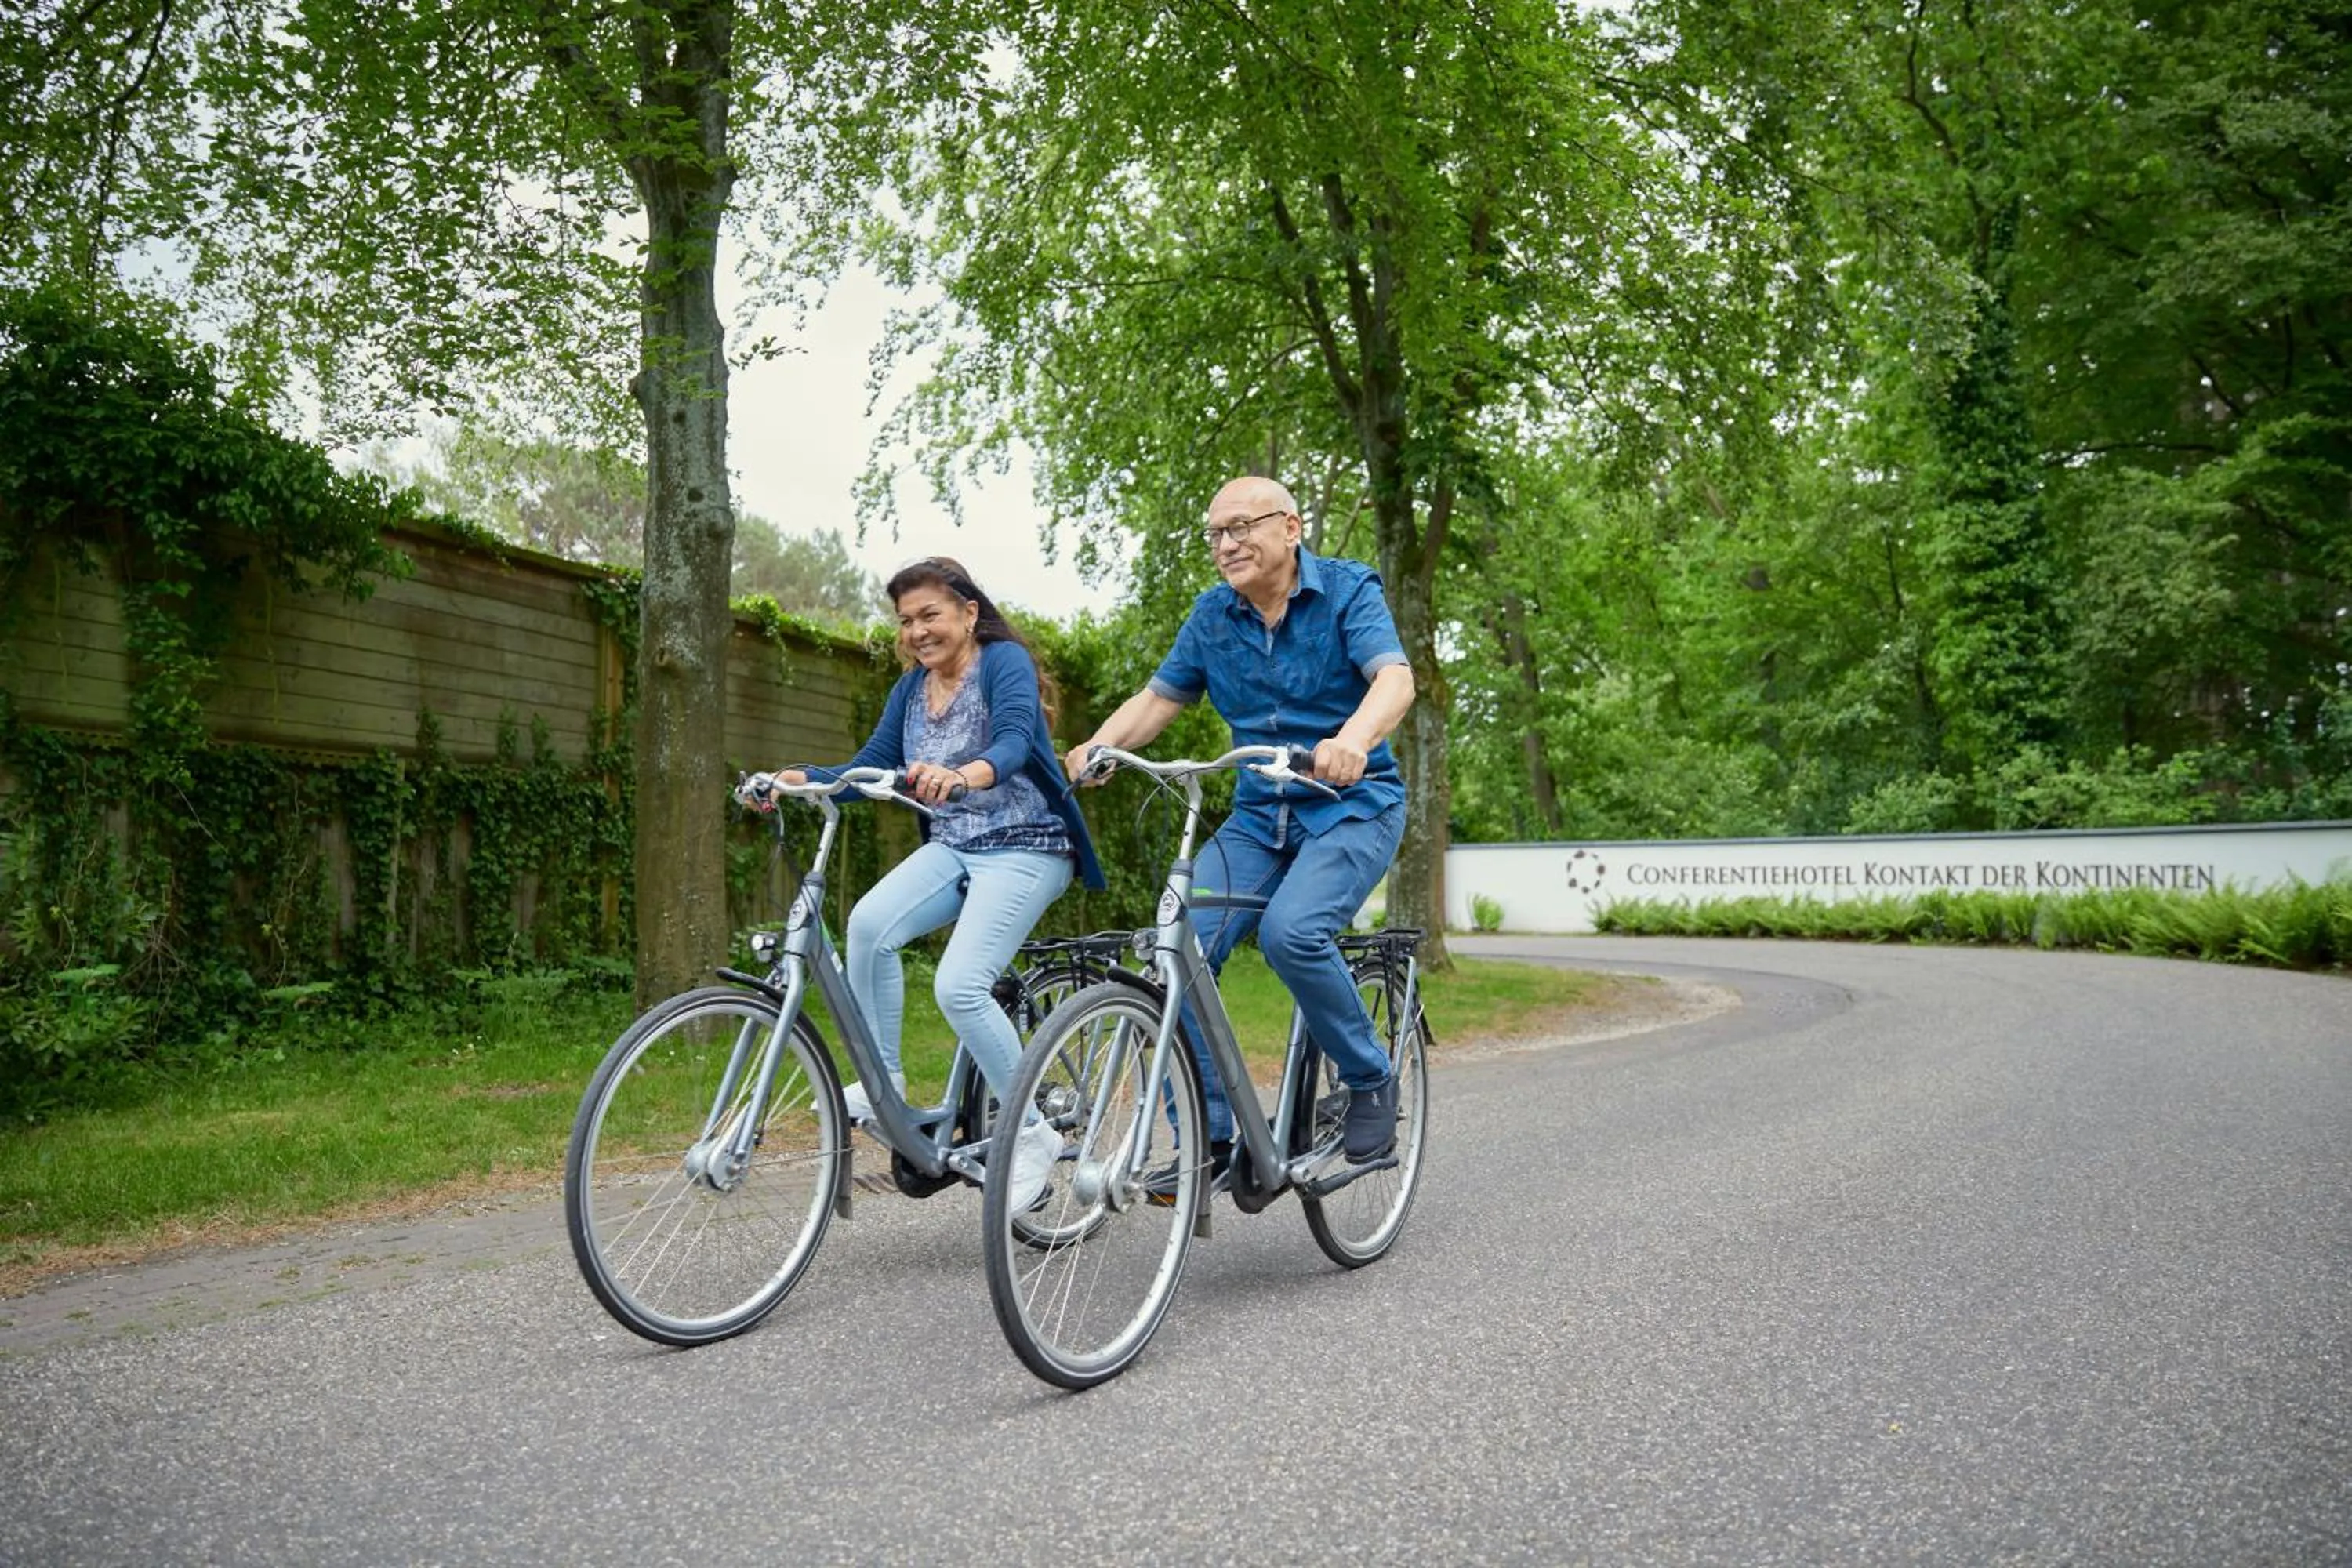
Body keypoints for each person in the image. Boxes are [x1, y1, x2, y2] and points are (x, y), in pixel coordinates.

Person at [1065, 476, 1415, 1170]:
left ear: (1291, 527)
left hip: (1352, 806)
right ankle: (1210, 1137)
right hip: (1259, 818)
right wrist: (1099, 745)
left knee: (1292, 934)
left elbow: (1394, 679)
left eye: (1241, 527)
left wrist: (1352, 739)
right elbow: (1158, 698)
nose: (1226, 545)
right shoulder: (1212, 617)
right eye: (1216, 534)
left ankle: (1369, 1077)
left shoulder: (1348, 591)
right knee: (1177, 949)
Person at [764, 557, 1103, 1210]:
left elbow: (1015, 742)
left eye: (930, 615)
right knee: (869, 925)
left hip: (1028, 846)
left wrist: (964, 775)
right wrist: (798, 779)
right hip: (956, 845)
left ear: (968, 613)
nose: (917, 631)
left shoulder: (1001, 664)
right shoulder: (911, 689)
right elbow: (870, 766)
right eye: (906, 621)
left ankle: (1032, 1132)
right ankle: (883, 1081)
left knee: (959, 985)